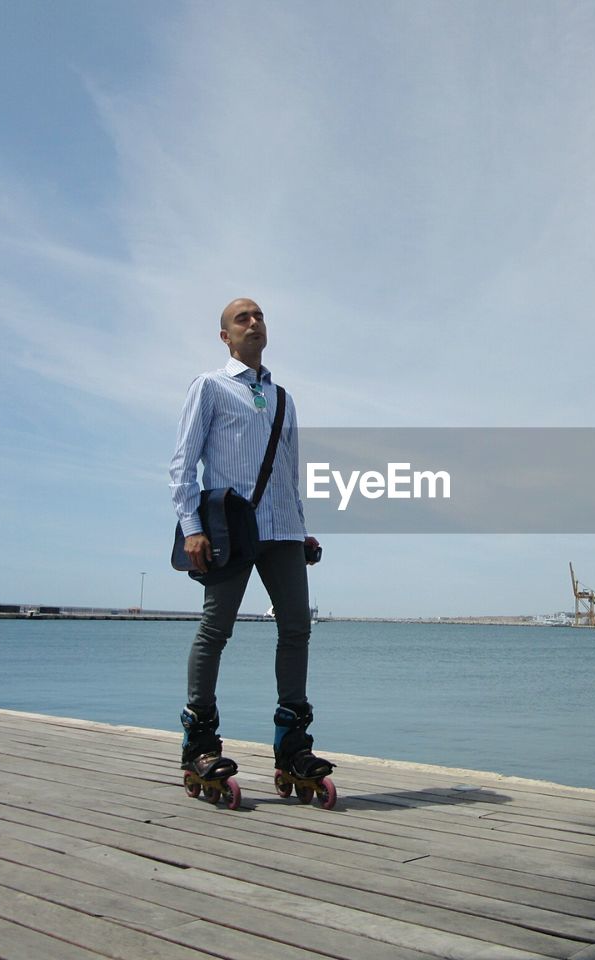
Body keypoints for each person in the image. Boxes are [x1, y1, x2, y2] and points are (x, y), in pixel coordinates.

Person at [169, 296, 332, 790]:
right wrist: (192, 526)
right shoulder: (211, 387)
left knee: (297, 630)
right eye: (243, 318)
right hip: (230, 531)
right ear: (226, 336)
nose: (254, 323)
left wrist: (301, 528)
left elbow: (290, 471)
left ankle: (292, 746)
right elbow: (183, 463)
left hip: (282, 530)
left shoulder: (283, 397)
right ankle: (199, 744)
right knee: (215, 630)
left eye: (259, 316)